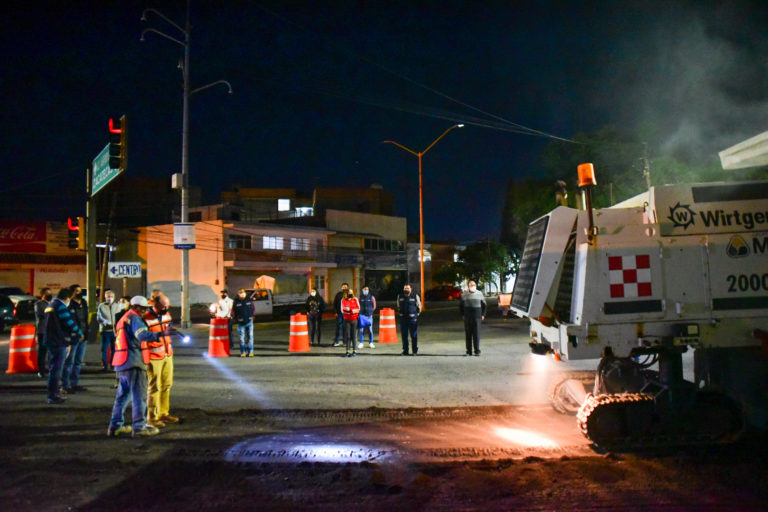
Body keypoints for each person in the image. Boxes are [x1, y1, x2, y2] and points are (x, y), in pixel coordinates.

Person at [107, 296, 167, 437]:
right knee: (139, 397)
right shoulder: (135, 319)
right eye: (143, 308)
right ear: (136, 307)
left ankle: (115, 427)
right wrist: (160, 334)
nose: (145, 311)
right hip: (133, 362)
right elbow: (142, 335)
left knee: (122, 397)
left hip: (122, 362)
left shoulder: (124, 318)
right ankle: (139, 428)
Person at [143, 293, 179, 428]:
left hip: (167, 354)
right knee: (154, 388)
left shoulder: (166, 314)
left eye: (167, 306)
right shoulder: (145, 318)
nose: (166, 308)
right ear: (155, 304)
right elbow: (143, 336)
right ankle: (152, 417)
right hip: (154, 357)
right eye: (163, 306)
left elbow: (167, 327)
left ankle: (163, 413)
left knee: (166, 385)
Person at [42, 288, 83, 404]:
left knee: (53, 367)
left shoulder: (51, 305)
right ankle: (53, 395)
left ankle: (54, 392)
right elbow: (69, 322)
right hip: (58, 341)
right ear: (67, 298)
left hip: (51, 340)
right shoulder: (60, 306)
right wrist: (79, 332)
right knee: (56, 369)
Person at [62, 284, 88, 393]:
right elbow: (69, 321)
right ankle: (65, 385)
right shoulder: (69, 305)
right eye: (76, 291)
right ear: (72, 293)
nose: (79, 292)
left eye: (79, 290)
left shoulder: (84, 303)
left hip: (83, 335)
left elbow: (85, 319)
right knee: (69, 362)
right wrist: (75, 332)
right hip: (73, 336)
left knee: (78, 361)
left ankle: (74, 384)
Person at [460, 280, 487, 356]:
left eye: (474, 285)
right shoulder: (464, 294)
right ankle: (469, 351)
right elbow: (461, 306)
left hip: (477, 317)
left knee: (476, 334)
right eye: (471, 285)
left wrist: (483, 315)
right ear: (468, 286)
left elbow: (484, 305)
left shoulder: (479, 294)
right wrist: (462, 315)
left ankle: (477, 350)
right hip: (467, 317)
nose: (472, 286)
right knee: (468, 334)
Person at [97, 290, 122, 371]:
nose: (109, 298)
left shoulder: (117, 306)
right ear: (105, 297)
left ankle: (113, 364)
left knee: (114, 348)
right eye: (108, 296)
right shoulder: (101, 306)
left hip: (115, 331)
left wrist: (116, 325)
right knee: (104, 349)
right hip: (105, 331)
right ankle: (105, 365)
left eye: (111, 296)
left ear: (114, 297)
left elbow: (120, 317)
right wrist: (107, 323)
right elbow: (99, 318)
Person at [397, 284, 421, 356]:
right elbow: (398, 306)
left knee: (413, 335)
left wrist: (416, 315)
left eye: (407, 288)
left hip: (412, 319)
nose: (406, 290)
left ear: (411, 289)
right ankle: (405, 351)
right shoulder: (400, 296)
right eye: (405, 288)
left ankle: (414, 351)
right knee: (404, 336)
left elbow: (419, 306)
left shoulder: (415, 296)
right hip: (403, 319)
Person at [34, 287, 52, 378]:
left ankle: (50, 369)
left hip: (52, 331)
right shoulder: (39, 304)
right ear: (42, 295)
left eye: (50, 293)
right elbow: (43, 315)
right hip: (42, 330)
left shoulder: (52, 303)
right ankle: (41, 370)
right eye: (47, 294)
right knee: (42, 351)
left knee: (51, 351)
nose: (49, 295)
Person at [232, 288, 255, 357]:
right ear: (238, 294)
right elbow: (233, 311)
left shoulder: (249, 300)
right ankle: (243, 352)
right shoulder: (236, 302)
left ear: (245, 293)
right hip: (240, 323)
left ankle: (251, 352)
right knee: (242, 338)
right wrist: (235, 319)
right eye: (240, 293)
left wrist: (252, 317)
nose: (242, 294)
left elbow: (253, 309)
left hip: (249, 322)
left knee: (250, 337)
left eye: (243, 293)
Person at [341, 289, 360, 357]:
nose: (351, 293)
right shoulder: (343, 300)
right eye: (349, 292)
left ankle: (354, 351)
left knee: (354, 336)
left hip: (354, 320)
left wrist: (351, 310)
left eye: (352, 292)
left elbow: (358, 309)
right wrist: (350, 310)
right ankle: (347, 351)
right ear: (347, 293)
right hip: (346, 320)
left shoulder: (355, 299)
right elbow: (343, 310)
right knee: (348, 336)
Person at [332, 283, 349, 347]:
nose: (344, 288)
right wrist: (335, 312)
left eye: (345, 287)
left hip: (346, 314)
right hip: (339, 314)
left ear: (347, 288)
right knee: (339, 328)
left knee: (346, 328)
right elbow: (335, 304)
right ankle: (337, 341)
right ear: (341, 288)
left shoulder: (349, 295)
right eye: (343, 287)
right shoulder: (338, 295)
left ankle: (345, 342)